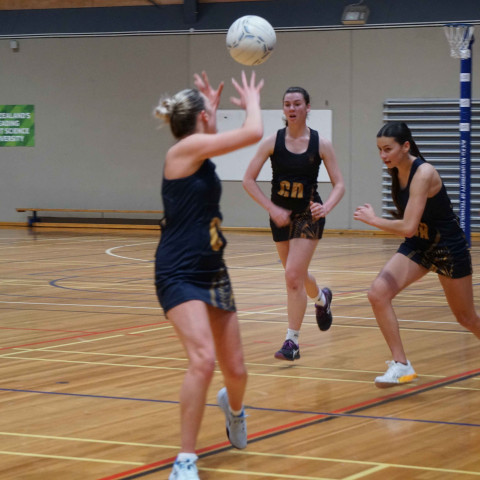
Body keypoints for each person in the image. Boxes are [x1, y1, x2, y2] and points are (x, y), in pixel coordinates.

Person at [153, 70, 264, 480]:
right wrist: (252, 99)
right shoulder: (186, 150)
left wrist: (209, 113)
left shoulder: (198, 151)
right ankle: (185, 460)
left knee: (235, 370)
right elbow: (253, 131)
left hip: (213, 270)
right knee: (202, 359)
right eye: (208, 118)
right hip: (178, 271)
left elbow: (211, 138)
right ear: (197, 122)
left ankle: (234, 410)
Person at [354, 121, 480, 388]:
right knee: (378, 293)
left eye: (388, 149)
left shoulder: (424, 173)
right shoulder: (396, 172)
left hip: (447, 248)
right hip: (419, 245)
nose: (383, 155)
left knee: (466, 318)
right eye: (379, 150)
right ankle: (401, 365)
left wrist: (374, 220)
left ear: (406, 146)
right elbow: (412, 231)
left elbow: (408, 226)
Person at [243, 86, 345, 361]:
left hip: (308, 215)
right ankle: (322, 298)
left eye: (297, 103)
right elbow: (248, 180)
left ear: (307, 107)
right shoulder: (271, 142)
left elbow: (340, 184)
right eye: (287, 104)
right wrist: (271, 207)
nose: (292, 108)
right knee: (295, 275)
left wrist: (326, 207)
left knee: (291, 277)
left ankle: (292, 342)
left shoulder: (320, 143)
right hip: (280, 215)